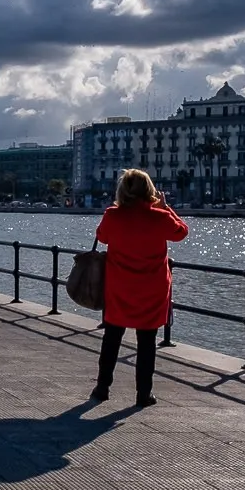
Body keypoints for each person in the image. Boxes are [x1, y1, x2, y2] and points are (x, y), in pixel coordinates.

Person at [89, 168, 186, 407]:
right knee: (147, 343)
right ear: (149, 190)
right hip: (151, 290)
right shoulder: (160, 218)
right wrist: (165, 208)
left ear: (123, 190)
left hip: (119, 288)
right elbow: (181, 232)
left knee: (111, 338)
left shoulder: (113, 215)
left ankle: (102, 388)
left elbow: (101, 237)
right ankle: (144, 393)